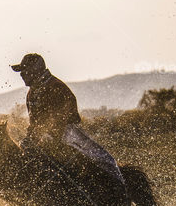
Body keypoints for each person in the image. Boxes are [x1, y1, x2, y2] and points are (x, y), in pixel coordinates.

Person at [11, 53, 123, 185]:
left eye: (24, 71)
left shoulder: (55, 87)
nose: (21, 75)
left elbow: (62, 117)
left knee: (104, 159)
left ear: (35, 71)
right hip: (44, 134)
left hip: (67, 132)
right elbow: (34, 122)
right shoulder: (32, 93)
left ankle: (119, 184)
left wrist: (50, 135)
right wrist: (29, 138)